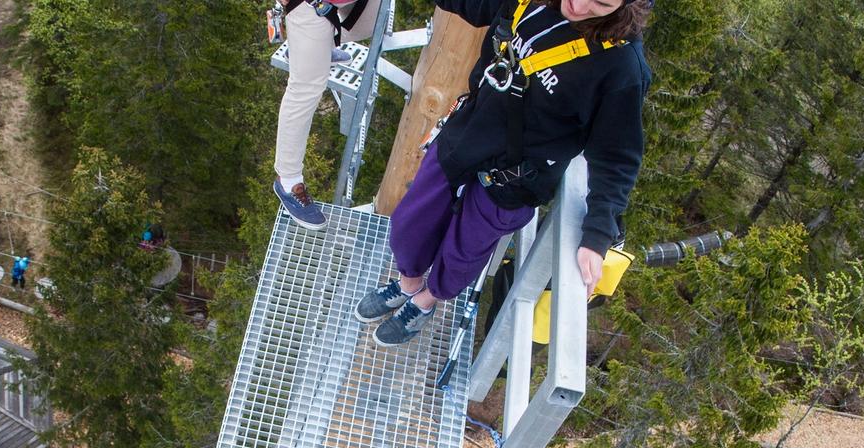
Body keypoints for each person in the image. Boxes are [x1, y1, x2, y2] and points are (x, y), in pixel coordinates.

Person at [355, 0, 652, 347]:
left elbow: (616, 157)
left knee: (464, 251)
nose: (582, 5)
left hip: (516, 178)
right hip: (468, 133)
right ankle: (407, 283)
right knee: (411, 221)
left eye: (602, 2)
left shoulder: (620, 69)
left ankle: (427, 300)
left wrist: (598, 235)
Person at [272, 0, 383, 230]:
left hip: (331, 6)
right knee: (305, 89)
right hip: (310, 5)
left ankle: (316, 49)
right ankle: (288, 179)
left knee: (375, 20)